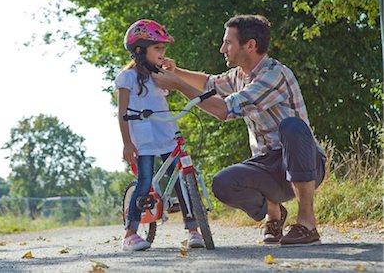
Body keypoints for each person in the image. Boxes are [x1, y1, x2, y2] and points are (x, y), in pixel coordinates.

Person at [152, 14, 326, 246]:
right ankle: (274, 214)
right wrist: (177, 72)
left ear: (250, 45)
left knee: (292, 127)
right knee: (223, 183)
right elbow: (208, 84)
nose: (222, 48)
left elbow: (224, 110)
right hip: (268, 166)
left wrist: (177, 84)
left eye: (228, 42)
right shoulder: (239, 76)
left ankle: (307, 223)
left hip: (304, 163)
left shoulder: (274, 75)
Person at [115, 19, 206, 251]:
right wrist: (127, 143)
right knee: (145, 182)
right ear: (139, 50)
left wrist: (173, 73)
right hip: (144, 139)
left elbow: (174, 88)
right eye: (157, 48)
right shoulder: (127, 77)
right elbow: (122, 112)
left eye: (163, 48)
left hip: (166, 133)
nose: (162, 52)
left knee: (183, 181)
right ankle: (130, 233)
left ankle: (194, 229)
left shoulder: (159, 76)